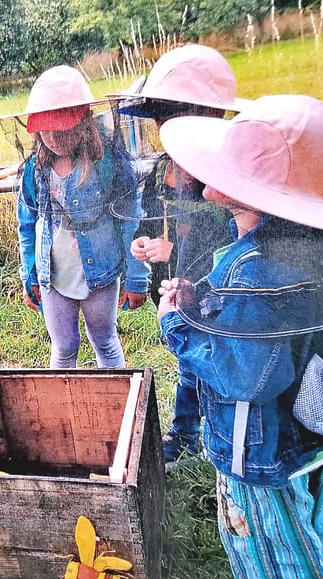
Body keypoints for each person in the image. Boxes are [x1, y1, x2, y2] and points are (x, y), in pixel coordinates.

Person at [156, 94, 323, 579]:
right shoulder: (318, 248)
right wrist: (201, 301)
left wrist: (177, 324)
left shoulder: (257, 271)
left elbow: (246, 376)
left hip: (258, 454)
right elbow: (280, 333)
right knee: (314, 536)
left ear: (248, 191)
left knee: (275, 563)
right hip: (311, 435)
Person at [119, 44, 238, 462]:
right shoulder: (159, 170)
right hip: (172, 288)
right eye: (162, 119)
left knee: (208, 365)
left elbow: (238, 236)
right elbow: (149, 221)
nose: (166, 127)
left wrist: (183, 248)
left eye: (175, 117)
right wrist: (143, 244)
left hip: (217, 291)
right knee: (188, 362)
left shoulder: (230, 173)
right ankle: (189, 433)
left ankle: (204, 435)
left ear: (209, 117)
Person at [17, 65, 149, 369]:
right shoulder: (34, 170)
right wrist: (30, 276)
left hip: (100, 274)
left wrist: (136, 277)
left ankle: (116, 405)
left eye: (62, 127)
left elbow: (131, 221)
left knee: (104, 341)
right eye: (45, 128)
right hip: (54, 276)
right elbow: (28, 226)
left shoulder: (107, 164)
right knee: (63, 348)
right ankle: (63, 410)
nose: (53, 136)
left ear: (84, 121)